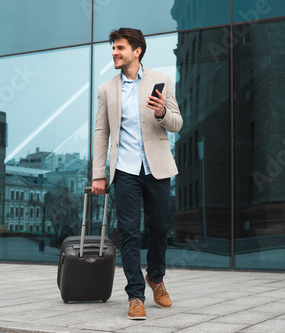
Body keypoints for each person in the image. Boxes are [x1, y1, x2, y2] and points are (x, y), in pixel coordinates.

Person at [92, 27, 183, 320]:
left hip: (156, 167)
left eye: (120, 48)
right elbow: (101, 132)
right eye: (113, 49)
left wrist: (161, 114)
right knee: (129, 232)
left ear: (136, 51)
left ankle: (155, 277)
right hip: (125, 170)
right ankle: (135, 296)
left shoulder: (161, 80)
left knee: (160, 227)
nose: (114, 53)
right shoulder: (106, 89)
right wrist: (99, 173)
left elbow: (177, 123)